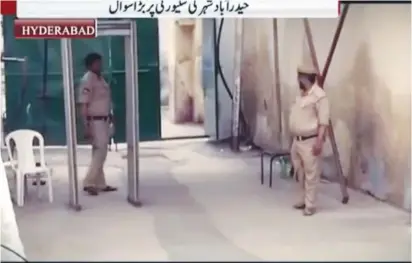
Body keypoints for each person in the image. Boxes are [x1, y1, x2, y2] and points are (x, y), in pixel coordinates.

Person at [288, 64, 330, 216]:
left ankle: (310, 205)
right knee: (299, 172)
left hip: (310, 140)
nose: (298, 79)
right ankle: (303, 200)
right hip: (297, 140)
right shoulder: (301, 94)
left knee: (311, 174)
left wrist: (319, 141)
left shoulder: (319, 96)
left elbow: (323, 121)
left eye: (300, 76)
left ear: (306, 78)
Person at [78, 52, 117, 196]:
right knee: (101, 151)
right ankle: (89, 182)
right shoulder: (88, 79)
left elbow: (104, 99)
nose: (100, 65)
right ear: (90, 64)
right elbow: (84, 103)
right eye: (97, 63)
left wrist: (110, 115)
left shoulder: (100, 79)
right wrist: (86, 125)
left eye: (100, 62)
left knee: (99, 151)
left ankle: (100, 183)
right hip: (95, 121)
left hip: (104, 119)